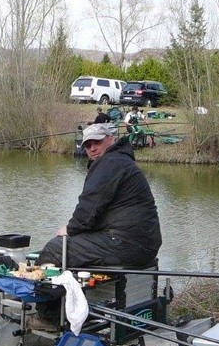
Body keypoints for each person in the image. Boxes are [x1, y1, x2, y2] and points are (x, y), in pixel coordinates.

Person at [31, 123, 162, 329]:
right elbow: (99, 213)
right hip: (142, 245)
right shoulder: (121, 161)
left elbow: (89, 207)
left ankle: (48, 317)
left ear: (111, 139)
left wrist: (70, 229)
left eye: (97, 142)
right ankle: (79, 308)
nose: (92, 148)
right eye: (87, 145)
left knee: (55, 249)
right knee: (75, 248)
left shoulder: (110, 163)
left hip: (126, 244)